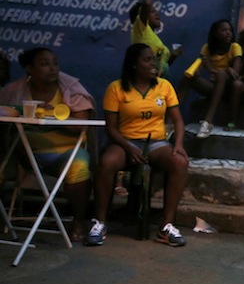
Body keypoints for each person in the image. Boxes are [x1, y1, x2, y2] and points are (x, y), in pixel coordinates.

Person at [86, 43, 189, 247]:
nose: (154, 64)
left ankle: (166, 226)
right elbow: (111, 128)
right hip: (125, 141)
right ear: (134, 64)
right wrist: (128, 147)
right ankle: (100, 222)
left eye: (154, 59)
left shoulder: (164, 86)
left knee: (180, 162)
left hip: (156, 143)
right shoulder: (116, 88)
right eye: (147, 60)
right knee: (107, 162)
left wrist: (178, 144)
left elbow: (177, 120)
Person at [0, 47, 95, 241]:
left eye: (55, 63)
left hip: (64, 153)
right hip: (25, 153)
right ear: (29, 69)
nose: (52, 68)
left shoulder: (71, 89)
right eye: (44, 64)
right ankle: (3, 221)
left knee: (79, 166)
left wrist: (55, 115)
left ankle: (78, 221)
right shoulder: (14, 91)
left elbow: (83, 125)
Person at [185, 19, 243, 138]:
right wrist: (197, 72)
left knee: (221, 75)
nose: (228, 33)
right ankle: (170, 122)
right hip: (214, 87)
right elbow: (198, 68)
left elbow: (235, 74)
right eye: (223, 30)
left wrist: (216, 71)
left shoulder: (235, 47)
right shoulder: (206, 48)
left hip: (229, 89)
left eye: (230, 30)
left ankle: (208, 121)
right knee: (187, 77)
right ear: (215, 34)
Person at [129, 0, 182, 78]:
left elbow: (162, 66)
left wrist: (174, 55)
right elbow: (146, 4)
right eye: (152, 12)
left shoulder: (153, 38)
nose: (157, 14)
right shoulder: (140, 29)